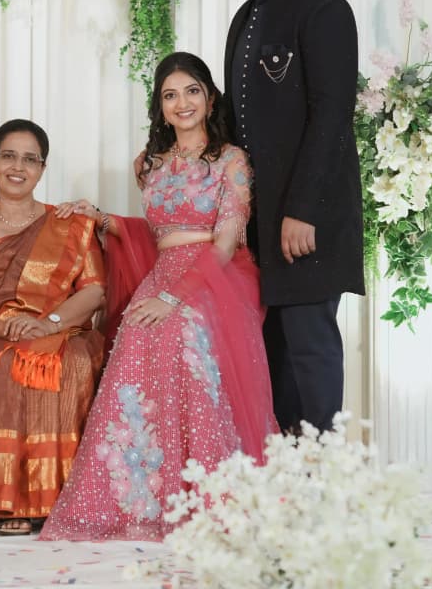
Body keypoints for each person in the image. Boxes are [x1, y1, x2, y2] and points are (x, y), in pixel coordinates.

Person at [40, 53, 277, 542]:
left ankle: (210, 496)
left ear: (210, 98)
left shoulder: (231, 160)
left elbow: (226, 242)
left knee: (183, 333)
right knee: (134, 338)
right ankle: (143, 500)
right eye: (170, 95)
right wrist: (101, 217)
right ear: (160, 107)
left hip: (216, 277)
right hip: (163, 272)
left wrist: (175, 298)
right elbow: (155, 235)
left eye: (191, 91)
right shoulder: (148, 164)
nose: (182, 103)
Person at [225, 0, 365, 433]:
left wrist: (302, 210)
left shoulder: (324, 10)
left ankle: (326, 471)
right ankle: (284, 472)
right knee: (272, 354)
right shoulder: (247, 15)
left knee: (309, 349)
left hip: (306, 220)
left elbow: (332, 116)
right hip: (260, 221)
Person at [0, 119, 106, 536]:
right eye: (9, 156)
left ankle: (61, 501)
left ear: (42, 168)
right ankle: (10, 502)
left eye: (30, 159)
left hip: (60, 330)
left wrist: (47, 323)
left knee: (72, 365)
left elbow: (93, 291)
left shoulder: (68, 222)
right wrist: (2, 326)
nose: (18, 166)